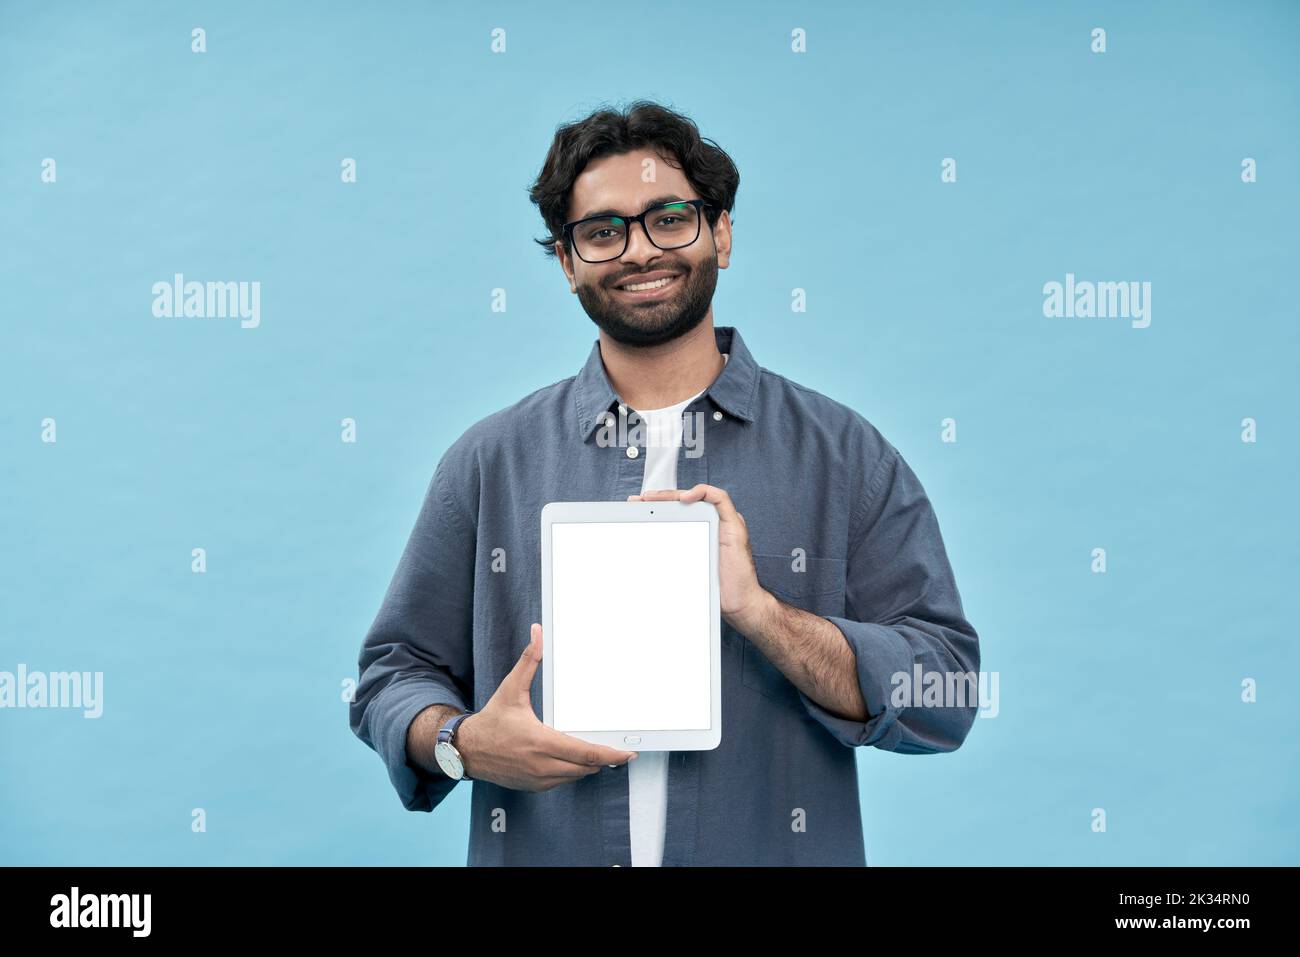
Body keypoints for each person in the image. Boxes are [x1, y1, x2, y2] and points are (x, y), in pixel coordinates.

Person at [349, 100, 980, 866]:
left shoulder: (846, 456)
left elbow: (946, 692)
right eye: (603, 231)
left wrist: (761, 613)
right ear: (567, 261)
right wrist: (461, 743)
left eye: (669, 218)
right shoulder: (489, 462)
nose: (639, 251)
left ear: (721, 233)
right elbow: (391, 674)